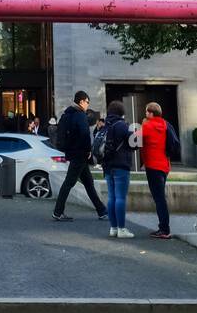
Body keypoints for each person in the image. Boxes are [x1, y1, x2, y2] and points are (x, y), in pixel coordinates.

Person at [51, 90, 109, 223]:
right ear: (81, 101)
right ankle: (58, 212)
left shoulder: (67, 114)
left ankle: (102, 211)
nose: (88, 105)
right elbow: (84, 134)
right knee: (69, 182)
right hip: (80, 154)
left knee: (88, 183)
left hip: (73, 153)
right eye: (87, 102)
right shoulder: (80, 115)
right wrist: (88, 150)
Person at [140, 102, 175, 239]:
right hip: (164, 166)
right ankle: (164, 227)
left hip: (153, 166)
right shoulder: (166, 124)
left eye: (147, 112)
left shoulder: (148, 125)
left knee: (159, 198)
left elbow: (134, 139)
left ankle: (164, 229)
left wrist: (140, 125)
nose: (145, 114)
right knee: (160, 197)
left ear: (150, 113)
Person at [101, 100, 135, 238]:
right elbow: (134, 144)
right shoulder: (121, 125)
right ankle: (122, 229)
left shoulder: (105, 125)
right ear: (121, 112)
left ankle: (113, 228)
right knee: (120, 197)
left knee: (111, 197)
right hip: (121, 165)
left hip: (107, 166)